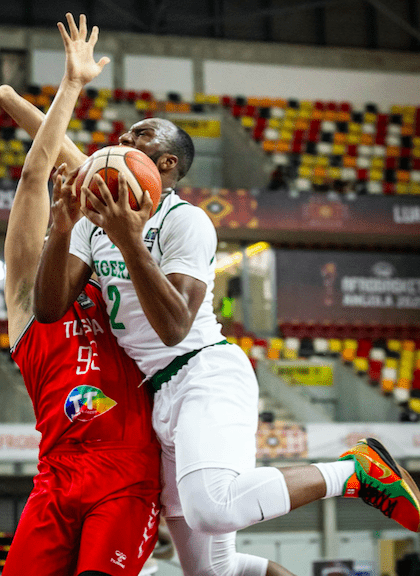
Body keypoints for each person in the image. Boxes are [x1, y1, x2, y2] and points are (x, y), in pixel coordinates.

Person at [3, 20, 420, 576]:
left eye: (139, 136)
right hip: (155, 398)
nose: (122, 142)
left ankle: (354, 471)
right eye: (122, 138)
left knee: (214, 507)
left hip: (201, 371)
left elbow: (175, 325)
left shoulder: (187, 222)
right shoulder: (96, 220)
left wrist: (128, 241)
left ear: (166, 166)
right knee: (212, 572)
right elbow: (51, 296)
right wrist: (25, 110)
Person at [2, 14, 161, 576]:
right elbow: (34, 177)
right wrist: (43, 93)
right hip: (57, 475)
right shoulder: (25, 301)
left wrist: (63, 86)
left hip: (126, 473)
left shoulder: (109, 269)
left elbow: (98, 172)